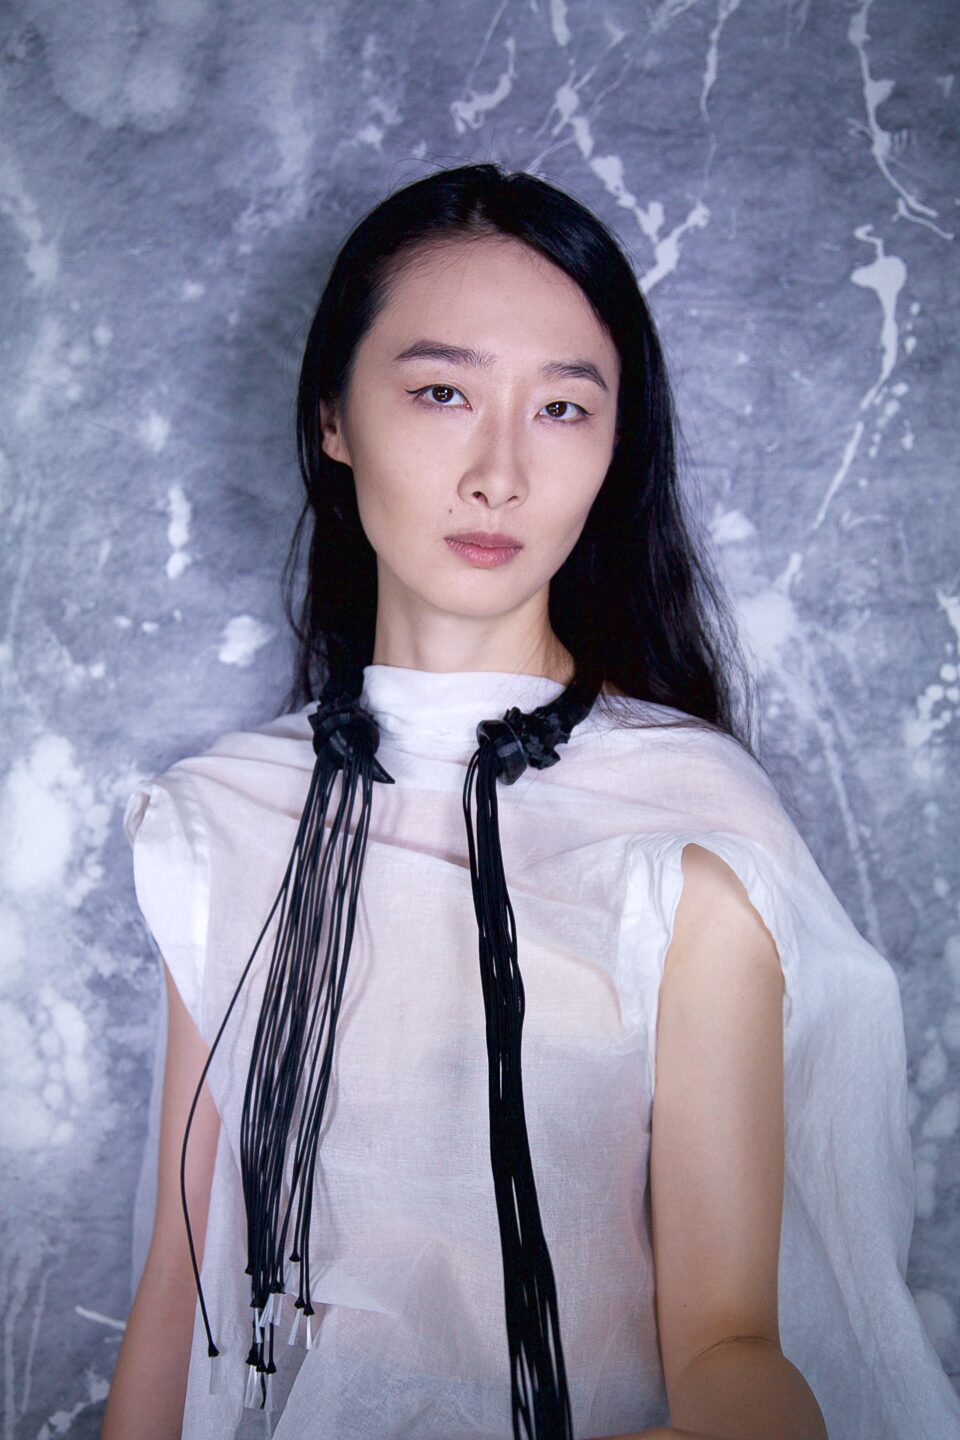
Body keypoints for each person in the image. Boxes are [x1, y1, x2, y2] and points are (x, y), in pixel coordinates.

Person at [102, 163, 960, 1440]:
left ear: (616, 448)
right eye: (442, 392)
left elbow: (731, 1348)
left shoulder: (686, 826)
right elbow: (177, 1309)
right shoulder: (226, 820)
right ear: (333, 416)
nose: (499, 473)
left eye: (562, 408)